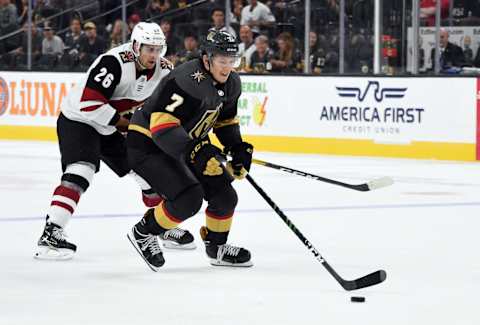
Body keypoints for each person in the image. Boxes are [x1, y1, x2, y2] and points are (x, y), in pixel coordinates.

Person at [34, 22, 195, 261]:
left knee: (146, 172)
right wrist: (130, 126)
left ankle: (162, 225)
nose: (154, 55)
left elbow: (166, 108)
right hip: (80, 119)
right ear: (136, 46)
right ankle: (52, 232)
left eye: (158, 49)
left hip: (111, 126)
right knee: (81, 171)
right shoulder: (113, 62)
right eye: (149, 49)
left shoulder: (164, 70)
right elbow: (89, 103)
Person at [126, 29, 254, 271]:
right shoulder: (186, 79)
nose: (227, 68)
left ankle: (216, 248)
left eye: (231, 61)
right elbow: (162, 127)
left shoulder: (232, 83)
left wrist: (237, 149)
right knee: (188, 198)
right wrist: (197, 151)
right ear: (206, 59)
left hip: (185, 145)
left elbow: (225, 121)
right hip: (147, 144)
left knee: (225, 196)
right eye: (221, 61)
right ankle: (144, 232)